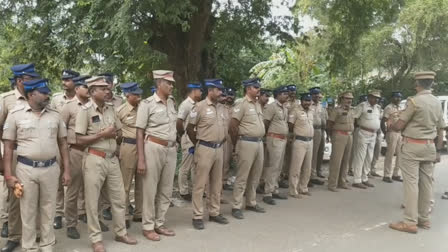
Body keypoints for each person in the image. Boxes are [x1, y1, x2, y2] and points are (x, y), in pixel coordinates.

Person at [3, 78, 71, 252]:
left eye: (47, 92)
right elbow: (9, 146)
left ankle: (47, 245)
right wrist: (9, 175)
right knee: (27, 211)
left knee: (48, 210)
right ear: (31, 94)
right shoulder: (16, 114)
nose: (47, 95)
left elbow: (63, 143)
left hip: (50, 168)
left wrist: (67, 171)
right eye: (43, 93)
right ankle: (29, 247)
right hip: (26, 169)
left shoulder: (55, 115)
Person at [75, 76, 137, 252]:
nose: (107, 90)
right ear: (93, 91)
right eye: (102, 88)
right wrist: (102, 135)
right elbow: (79, 139)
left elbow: (118, 132)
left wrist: (115, 136)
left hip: (112, 159)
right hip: (94, 158)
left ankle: (121, 232)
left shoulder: (111, 109)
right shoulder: (85, 111)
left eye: (107, 88)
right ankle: (96, 239)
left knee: (118, 198)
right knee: (93, 201)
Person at [389, 71, 444, 234]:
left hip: (412, 146)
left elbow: (399, 126)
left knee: (411, 183)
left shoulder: (414, 101)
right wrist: (438, 150)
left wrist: (391, 122)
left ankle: (409, 222)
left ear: (417, 84)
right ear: (432, 84)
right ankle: (424, 219)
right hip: (430, 146)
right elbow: (441, 128)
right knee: (427, 183)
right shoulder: (436, 102)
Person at [0, 63, 40, 252]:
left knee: (37, 195)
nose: (34, 82)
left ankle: (36, 232)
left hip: (36, 154)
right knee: (17, 195)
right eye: (30, 79)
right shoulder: (6, 100)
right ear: (19, 81)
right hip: (15, 153)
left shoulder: (39, 97)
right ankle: (15, 235)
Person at [136, 70, 177, 241]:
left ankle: (159, 223)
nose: (171, 86)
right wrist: (141, 159)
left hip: (171, 149)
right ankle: (148, 226)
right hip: (153, 147)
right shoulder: (147, 104)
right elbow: (139, 132)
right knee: (150, 189)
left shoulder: (172, 102)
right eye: (168, 83)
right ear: (159, 84)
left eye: (172, 83)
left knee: (166, 189)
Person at [186, 78, 229, 230]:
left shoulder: (222, 108)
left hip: (219, 148)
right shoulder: (199, 107)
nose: (221, 93)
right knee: (200, 184)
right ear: (210, 90)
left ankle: (214, 212)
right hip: (204, 148)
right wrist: (198, 143)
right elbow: (190, 128)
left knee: (217, 183)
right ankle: (197, 215)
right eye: (218, 90)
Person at [229, 78, 266, 219]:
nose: (258, 90)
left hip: (258, 142)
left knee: (255, 174)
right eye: (256, 87)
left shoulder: (257, 104)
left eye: (259, 87)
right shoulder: (241, 103)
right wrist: (235, 144)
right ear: (248, 88)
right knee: (242, 176)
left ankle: (251, 202)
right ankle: (236, 205)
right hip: (246, 142)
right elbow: (233, 125)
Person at [60, 75, 91, 239]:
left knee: (92, 188)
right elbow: (60, 132)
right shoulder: (69, 107)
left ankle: (91, 218)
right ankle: (71, 224)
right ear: (77, 88)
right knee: (73, 190)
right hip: (75, 152)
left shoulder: (93, 105)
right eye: (85, 87)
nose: (88, 90)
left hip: (92, 151)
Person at [51, 69, 80, 230]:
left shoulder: (82, 99)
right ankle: (58, 214)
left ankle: (73, 217)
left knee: (74, 183)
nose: (64, 82)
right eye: (63, 79)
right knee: (57, 181)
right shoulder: (56, 99)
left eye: (68, 80)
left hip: (75, 147)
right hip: (58, 145)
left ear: (76, 81)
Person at [116, 82, 144, 226]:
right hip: (128, 147)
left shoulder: (144, 108)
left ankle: (139, 213)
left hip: (144, 147)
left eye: (140, 94)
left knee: (142, 182)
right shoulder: (120, 111)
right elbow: (116, 132)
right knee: (125, 184)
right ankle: (125, 215)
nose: (139, 97)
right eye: (136, 95)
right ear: (127, 95)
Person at [261, 86, 289, 205]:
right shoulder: (272, 107)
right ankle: (267, 193)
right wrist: (267, 137)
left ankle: (274, 188)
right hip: (274, 138)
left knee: (279, 166)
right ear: (277, 95)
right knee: (272, 166)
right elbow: (265, 122)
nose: (286, 95)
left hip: (282, 139)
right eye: (284, 93)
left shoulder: (285, 108)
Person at [177, 83, 203, 201]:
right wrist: (183, 135)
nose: (201, 93)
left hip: (195, 138)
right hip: (188, 139)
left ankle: (195, 189)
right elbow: (179, 122)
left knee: (195, 166)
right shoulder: (186, 104)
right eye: (200, 91)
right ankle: (183, 191)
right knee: (185, 166)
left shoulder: (197, 104)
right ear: (193, 91)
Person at [351, 91, 382, 189]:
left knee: (369, 156)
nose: (376, 99)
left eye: (377, 98)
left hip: (373, 134)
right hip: (363, 132)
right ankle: (357, 180)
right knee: (360, 156)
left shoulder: (378, 108)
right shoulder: (362, 106)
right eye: (374, 97)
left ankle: (365, 178)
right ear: (369, 97)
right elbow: (354, 118)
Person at [326, 92, 355, 192]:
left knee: (346, 160)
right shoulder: (336, 110)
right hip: (339, 135)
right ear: (342, 99)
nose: (349, 101)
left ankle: (342, 182)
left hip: (349, 135)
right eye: (347, 98)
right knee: (336, 160)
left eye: (350, 99)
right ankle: (332, 184)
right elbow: (329, 124)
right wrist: (329, 136)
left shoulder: (352, 110)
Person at [288, 93, 314, 198]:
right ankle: (293, 190)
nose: (307, 103)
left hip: (310, 141)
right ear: (301, 101)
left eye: (309, 101)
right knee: (296, 167)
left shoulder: (311, 112)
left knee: (307, 167)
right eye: (306, 100)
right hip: (299, 141)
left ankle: (303, 188)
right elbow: (290, 125)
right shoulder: (295, 111)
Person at [381, 92, 403, 183]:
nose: (398, 99)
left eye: (400, 97)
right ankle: (386, 175)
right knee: (390, 154)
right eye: (396, 97)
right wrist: (385, 133)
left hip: (399, 133)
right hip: (392, 132)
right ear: (392, 98)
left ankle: (396, 174)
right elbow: (383, 121)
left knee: (400, 154)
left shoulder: (401, 108)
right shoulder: (388, 108)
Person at [280, 84, 299, 188]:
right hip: (285, 129)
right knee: (283, 155)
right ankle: (281, 176)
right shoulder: (284, 103)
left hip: (294, 130)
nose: (292, 93)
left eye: (294, 91)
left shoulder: (298, 103)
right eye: (290, 91)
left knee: (291, 155)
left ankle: (287, 175)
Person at [309, 87, 325, 186]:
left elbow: (323, 118)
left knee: (319, 153)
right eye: (315, 94)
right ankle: (310, 176)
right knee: (312, 154)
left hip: (320, 130)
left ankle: (315, 172)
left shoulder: (321, 105)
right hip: (312, 129)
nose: (317, 96)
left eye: (318, 94)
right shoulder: (308, 104)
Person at [348, 95, 368, 176]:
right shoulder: (356, 109)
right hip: (356, 130)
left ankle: (357, 168)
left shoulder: (364, 108)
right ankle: (350, 168)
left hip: (359, 130)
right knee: (353, 151)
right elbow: (354, 120)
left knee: (360, 152)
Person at [222, 88, 236, 191]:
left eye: (232, 95)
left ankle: (225, 181)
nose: (230, 97)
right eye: (228, 94)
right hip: (224, 137)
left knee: (229, 160)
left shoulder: (237, 107)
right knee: (224, 160)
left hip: (233, 137)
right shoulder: (221, 107)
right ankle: (221, 182)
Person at [370, 97, 385, 178]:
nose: (380, 104)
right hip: (372, 132)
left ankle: (373, 169)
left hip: (379, 133)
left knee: (377, 152)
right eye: (379, 102)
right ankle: (367, 170)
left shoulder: (381, 111)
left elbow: (382, 123)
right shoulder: (373, 109)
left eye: (382, 103)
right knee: (369, 152)